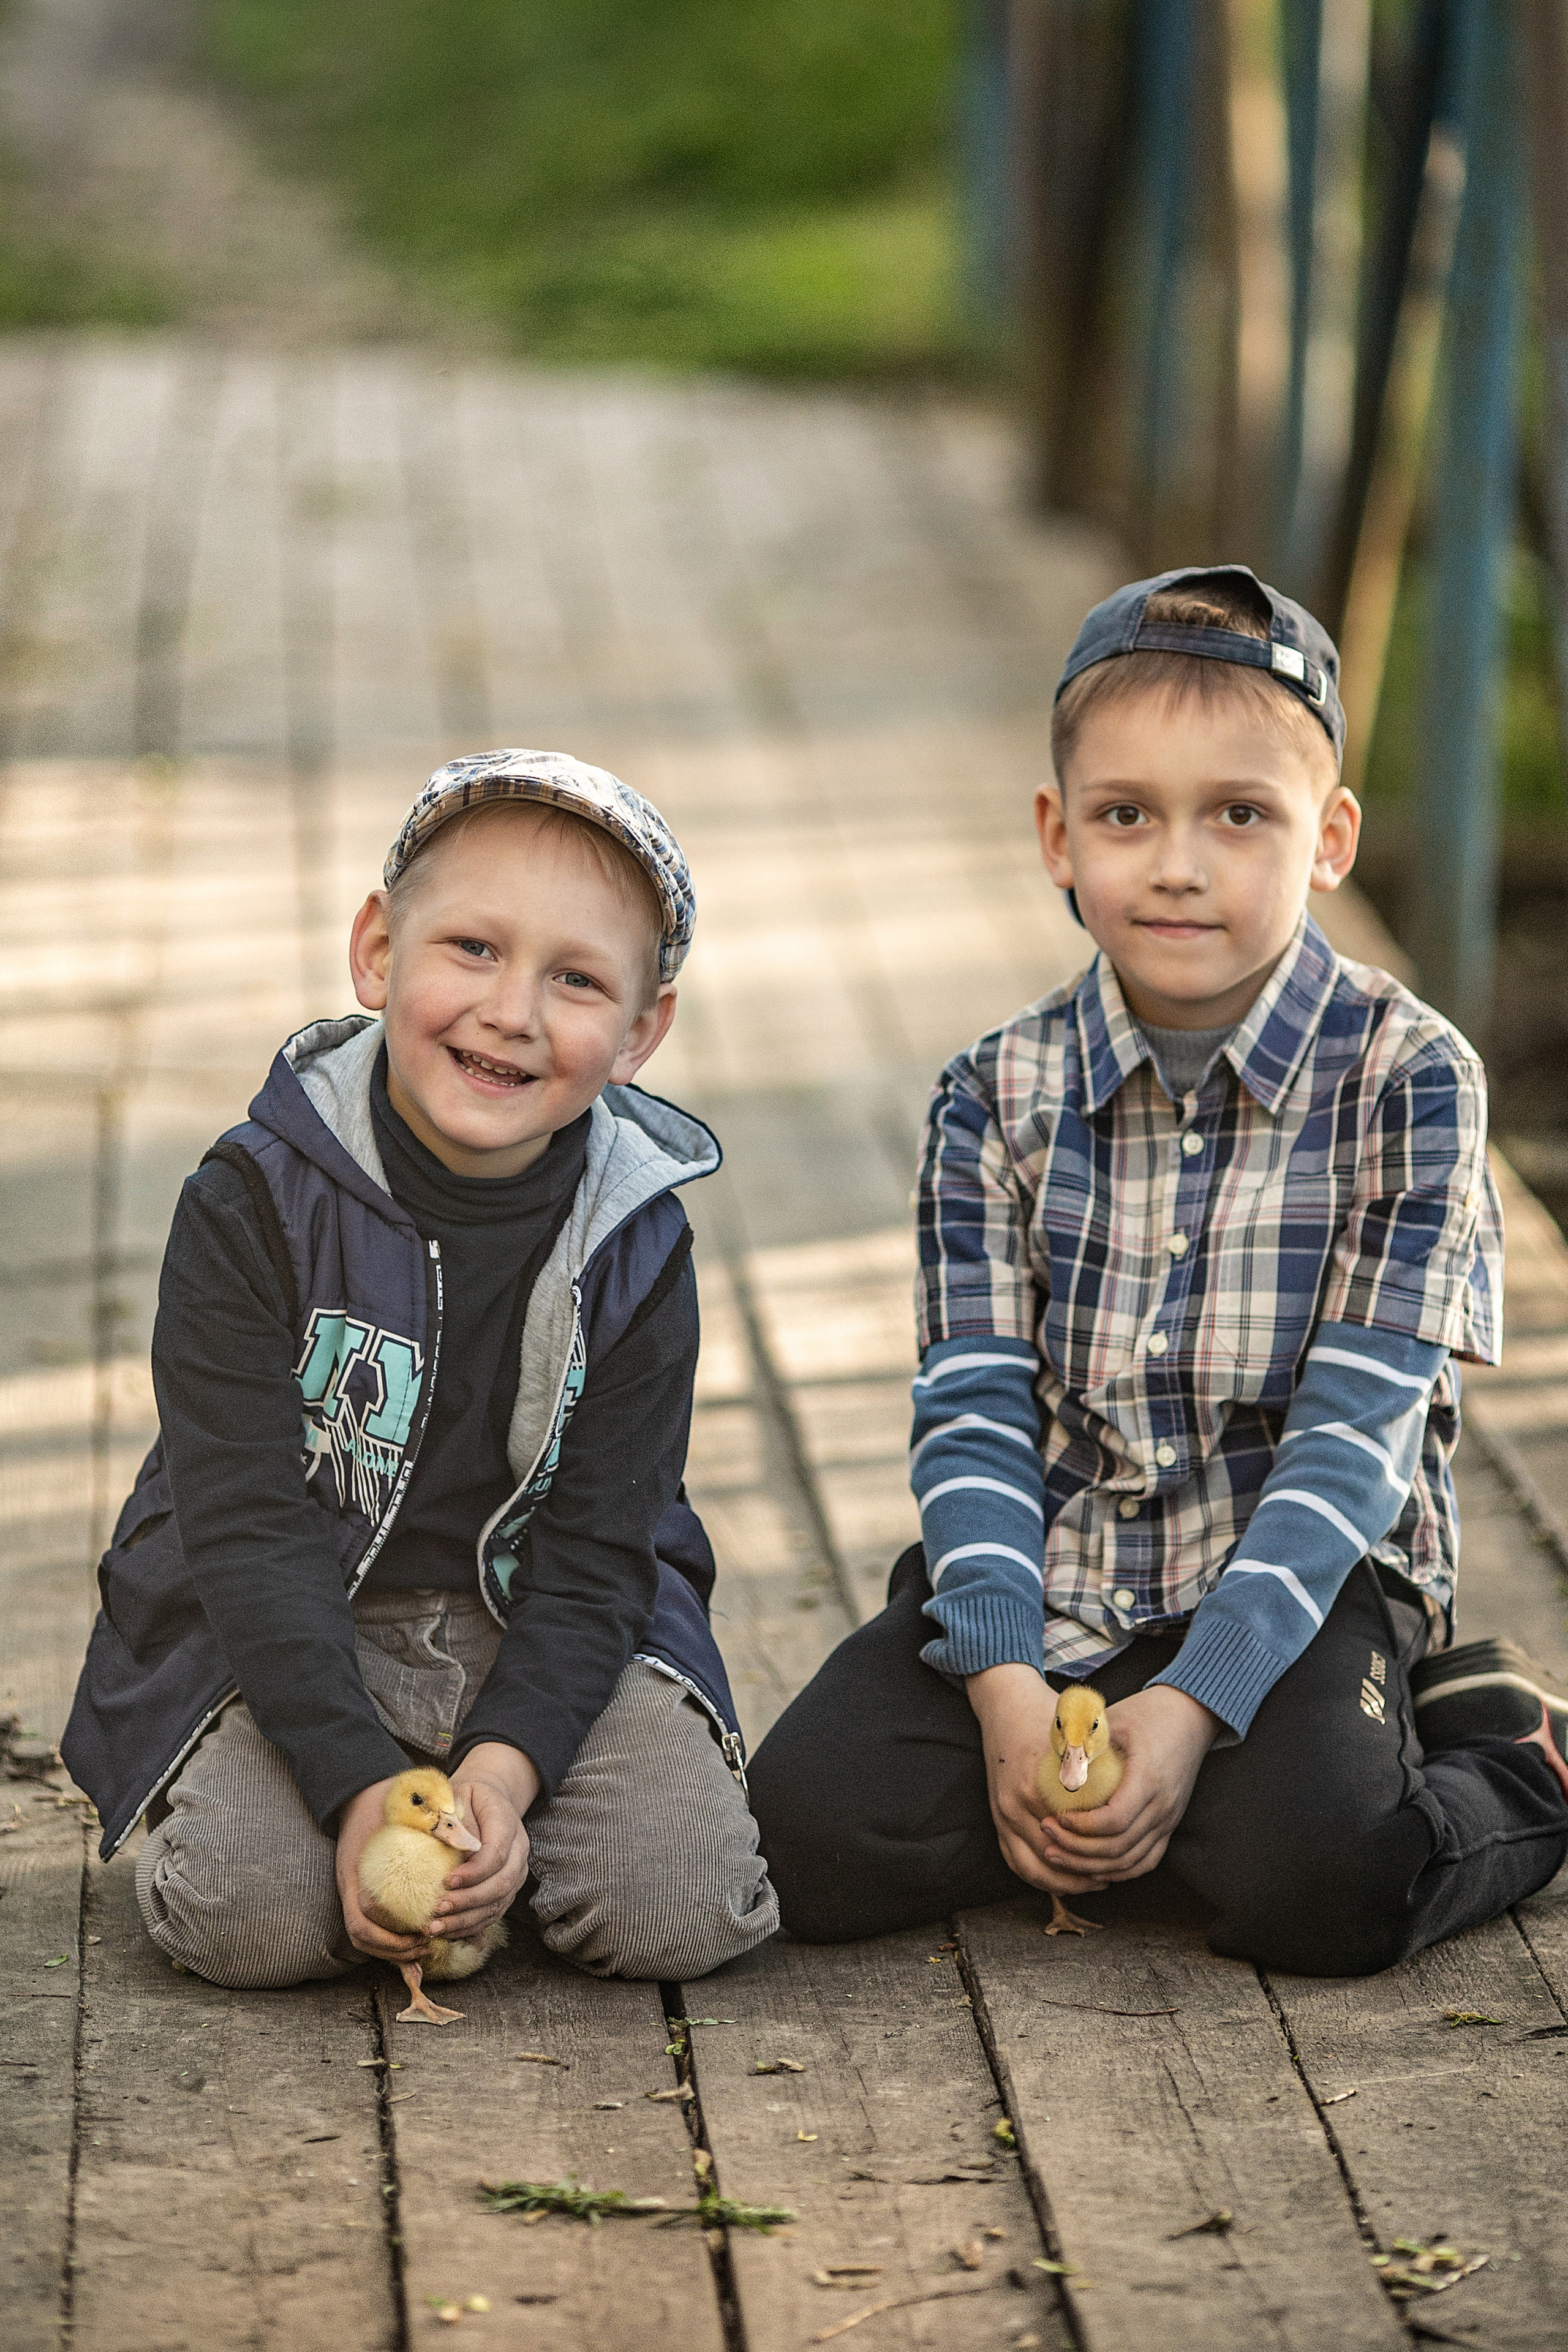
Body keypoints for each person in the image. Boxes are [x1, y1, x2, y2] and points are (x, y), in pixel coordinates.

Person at [748, 566, 1568, 1977]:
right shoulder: (991, 1094)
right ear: (1058, 837)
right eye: (1126, 815)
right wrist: (1007, 1692)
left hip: (1294, 1579)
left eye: (1238, 815)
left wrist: (1194, 1704)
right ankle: (1116, 1804)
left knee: (1321, 1885)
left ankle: (1510, 1759)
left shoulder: (1409, 1081)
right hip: (1053, 1563)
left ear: (1328, 840)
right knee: (796, 1838)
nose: (1177, 864)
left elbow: (1352, 1446)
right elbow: (973, 1411)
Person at [64, 751, 778, 1988]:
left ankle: (504, 1830)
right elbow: (243, 1530)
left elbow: (606, 1549)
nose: (511, 1010)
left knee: (676, 1907)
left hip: (537, 1623)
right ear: (378, 952)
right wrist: (354, 1791)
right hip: (287, 1621)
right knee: (251, 1919)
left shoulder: (637, 1238)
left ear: (639, 1032)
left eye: (575, 979)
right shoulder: (252, 1202)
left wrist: (503, 1772)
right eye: (472, 949)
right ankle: (334, 1808)